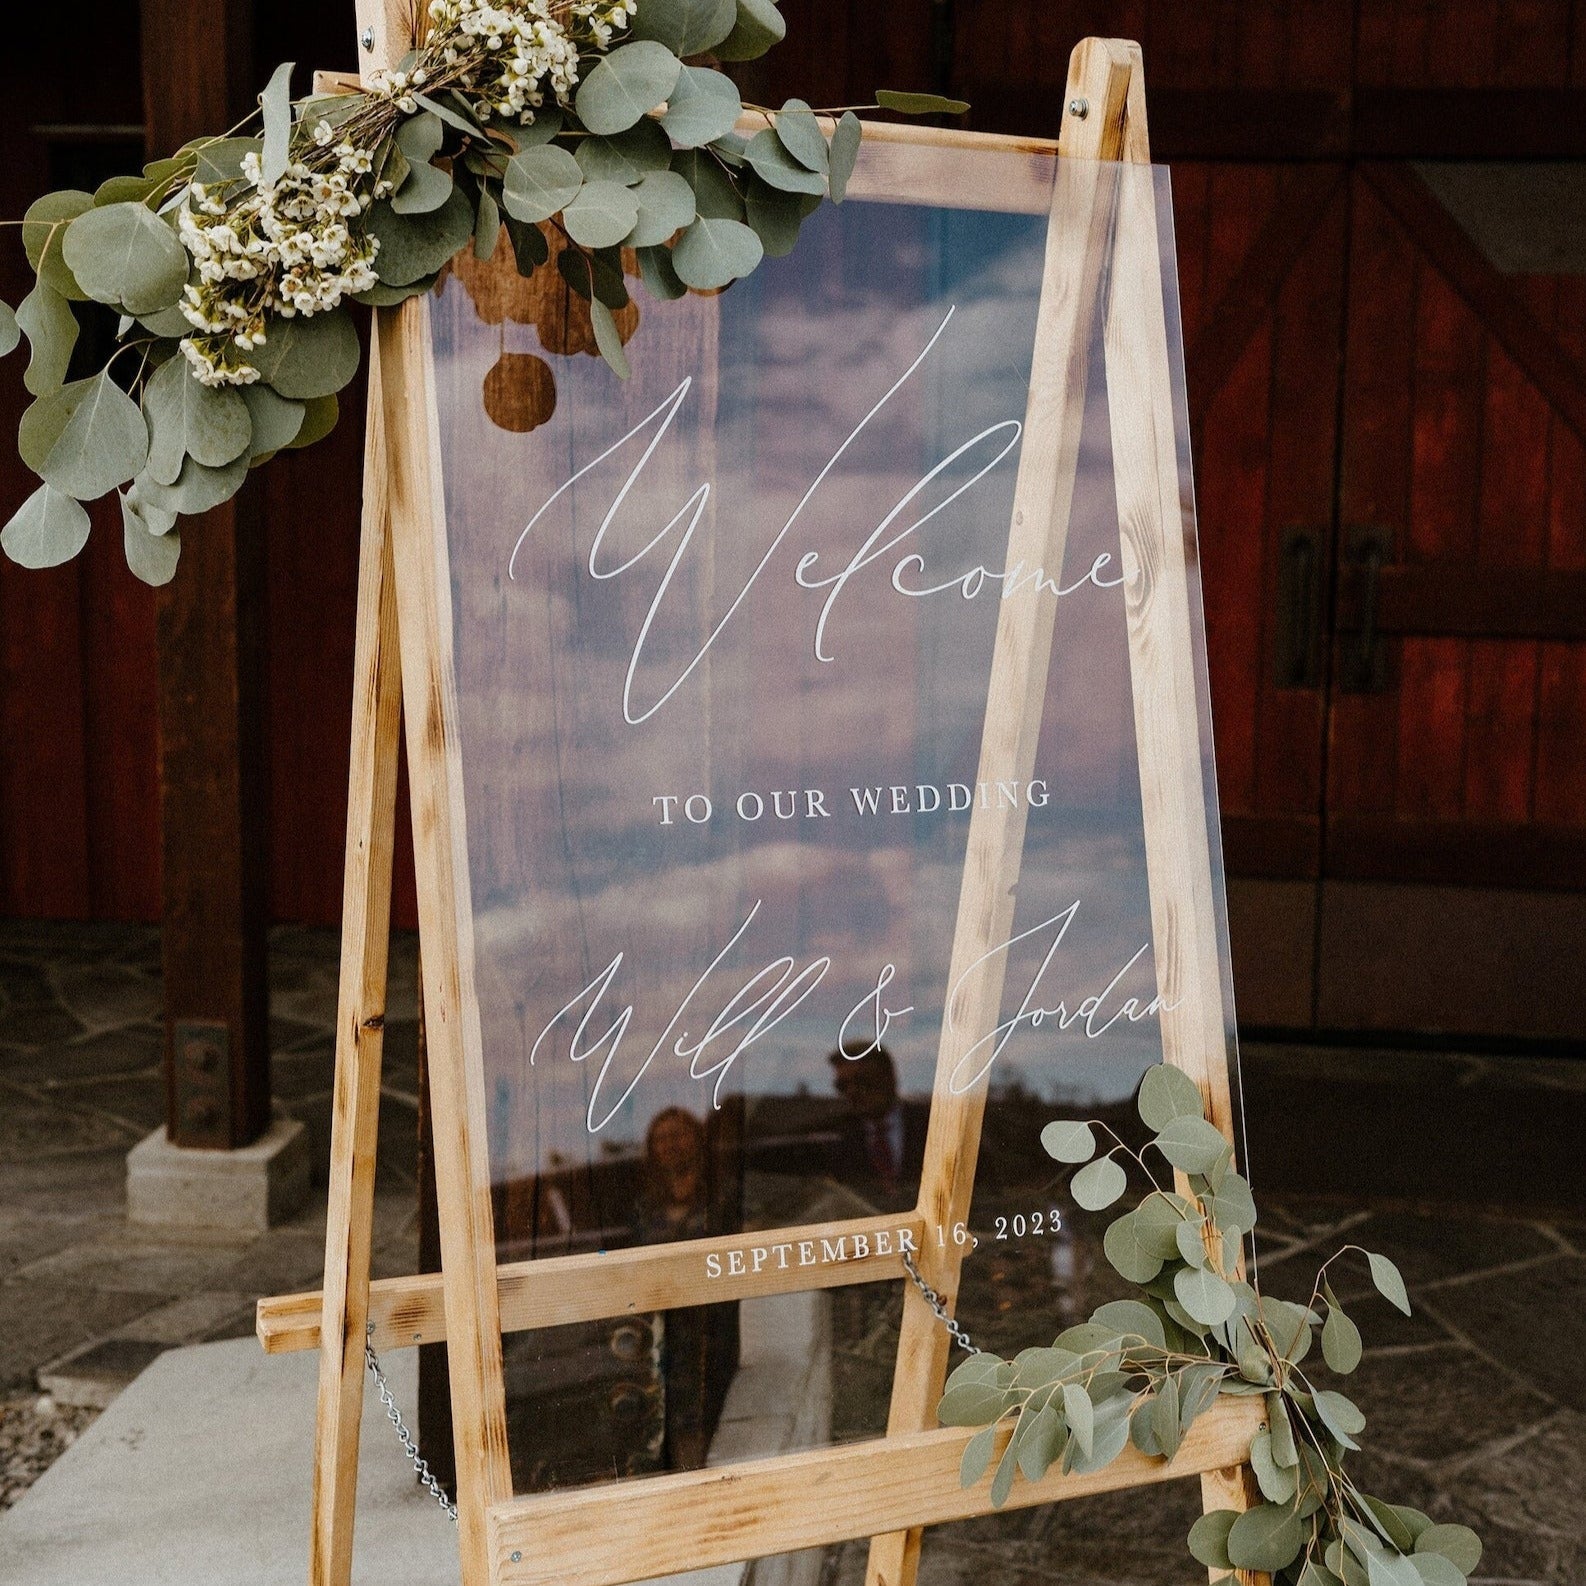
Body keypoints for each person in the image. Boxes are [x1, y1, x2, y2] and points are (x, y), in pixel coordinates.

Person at [827, 1042, 928, 1209]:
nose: (852, 1092)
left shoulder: (935, 1127)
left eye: (863, 1081)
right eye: (842, 1086)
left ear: (890, 1078)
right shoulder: (832, 1137)